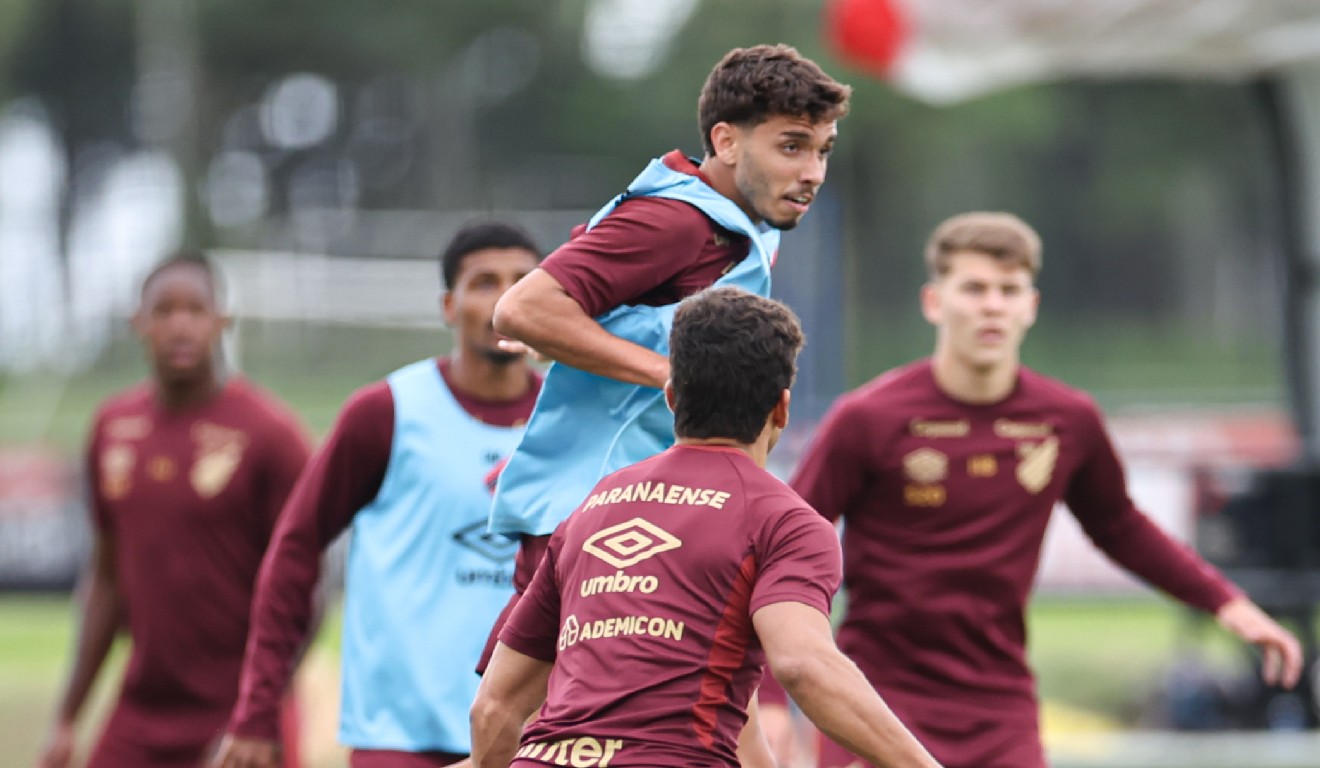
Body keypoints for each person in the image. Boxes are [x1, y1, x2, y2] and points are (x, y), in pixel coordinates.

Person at [764, 212, 1305, 768]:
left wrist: (1225, 600)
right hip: (873, 704)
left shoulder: (1066, 420)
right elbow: (782, 549)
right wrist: (771, 697)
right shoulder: (868, 419)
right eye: (974, 288)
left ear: (1031, 306)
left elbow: (1120, 527)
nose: (992, 304)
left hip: (1001, 713)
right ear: (934, 302)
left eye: (1008, 289)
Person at [479, 43, 852, 677]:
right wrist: (670, 375)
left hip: (649, 513)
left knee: (680, 714)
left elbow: (588, 285)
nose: (813, 170)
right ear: (727, 142)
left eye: (822, 150)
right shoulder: (676, 222)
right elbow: (521, 310)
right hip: (589, 515)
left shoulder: (741, 226)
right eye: (791, 146)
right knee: (531, 728)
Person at [471, 286, 944, 768]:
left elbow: (494, 707)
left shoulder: (593, 508)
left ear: (673, 397)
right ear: (781, 408)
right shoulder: (785, 521)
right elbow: (804, 665)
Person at [212, 221, 544, 768]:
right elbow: (294, 550)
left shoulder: (571, 419)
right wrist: (256, 709)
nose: (504, 298)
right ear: (447, 305)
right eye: (484, 282)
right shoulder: (386, 413)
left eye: (521, 281)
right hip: (400, 737)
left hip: (533, 735)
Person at [37, 252, 312, 768]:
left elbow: (309, 586)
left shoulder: (272, 434)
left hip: (241, 714)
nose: (180, 325)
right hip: (142, 713)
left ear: (221, 321)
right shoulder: (111, 427)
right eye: (164, 311)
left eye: (195, 310)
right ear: (139, 323)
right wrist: (67, 718)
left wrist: (260, 712)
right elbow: (106, 578)